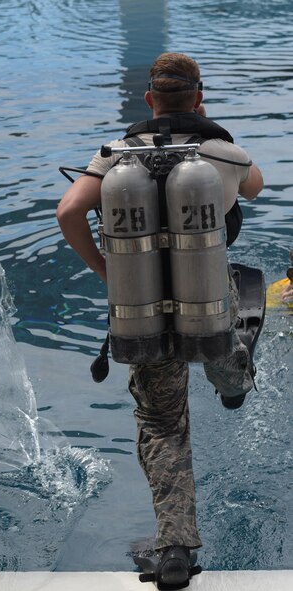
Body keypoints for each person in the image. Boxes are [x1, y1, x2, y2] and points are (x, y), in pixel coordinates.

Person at [57, 53, 263, 588]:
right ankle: (233, 383)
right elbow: (256, 188)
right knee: (223, 342)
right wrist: (217, 141)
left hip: (139, 304)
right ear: (198, 98)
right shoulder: (221, 153)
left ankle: (173, 549)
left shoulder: (115, 157)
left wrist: (107, 271)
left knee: (162, 425)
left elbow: (68, 212)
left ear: (148, 100)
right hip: (206, 293)